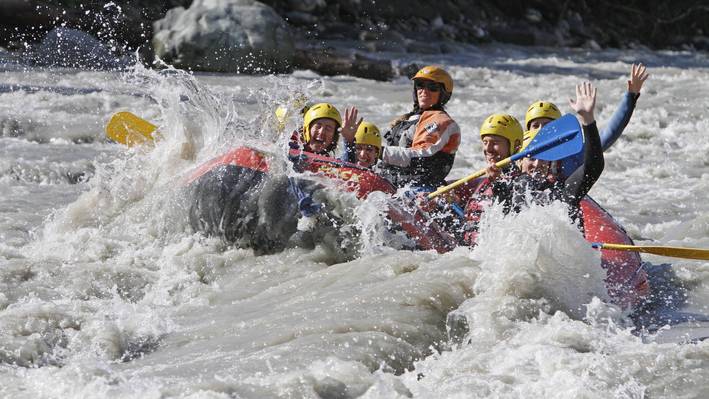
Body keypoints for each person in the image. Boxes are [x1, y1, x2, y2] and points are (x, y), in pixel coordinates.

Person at [463, 82, 604, 245]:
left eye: (543, 159)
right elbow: (500, 215)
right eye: (531, 158)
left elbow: (594, 167)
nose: (537, 164)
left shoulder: (563, 191)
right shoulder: (510, 186)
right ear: (520, 160)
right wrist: (496, 182)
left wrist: (588, 120)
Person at [341, 65, 461, 189]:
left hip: (419, 189)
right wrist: (350, 142)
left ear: (444, 94)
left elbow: (422, 156)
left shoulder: (442, 122)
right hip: (390, 183)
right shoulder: (405, 120)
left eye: (432, 87)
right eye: (420, 85)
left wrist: (378, 151)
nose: (424, 91)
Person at [523, 63, 649, 179]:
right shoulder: (519, 156)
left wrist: (630, 95)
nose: (541, 130)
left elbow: (609, 134)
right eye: (535, 125)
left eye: (547, 125)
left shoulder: (573, 156)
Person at [290, 102, 360, 156]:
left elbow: (347, 168)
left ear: (333, 137)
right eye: (318, 126)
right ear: (306, 130)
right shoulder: (290, 146)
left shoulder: (330, 162)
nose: (322, 132)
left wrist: (349, 141)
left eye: (328, 128)